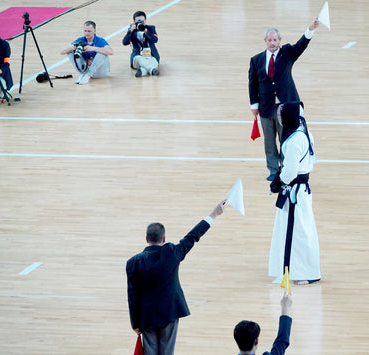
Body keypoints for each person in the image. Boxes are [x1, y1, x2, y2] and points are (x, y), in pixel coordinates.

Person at [126, 200, 226, 355]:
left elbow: (132, 296)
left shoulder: (133, 262)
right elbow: (192, 237)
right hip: (170, 312)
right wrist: (213, 214)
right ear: (164, 239)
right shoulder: (172, 253)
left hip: (146, 317)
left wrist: (134, 323)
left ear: (146, 239)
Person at [248, 18, 319, 181]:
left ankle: (286, 169)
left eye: (275, 40)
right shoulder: (256, 60)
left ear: (280, 40)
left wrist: (311, 29)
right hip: (266, 107)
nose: (272, 42)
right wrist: (254, 104)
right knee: (269, 142)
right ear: (265, 41)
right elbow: (252, 84)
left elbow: (302, 45)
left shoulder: (287, 53)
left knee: (285, 139)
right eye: (269, 40)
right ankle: (273, 169)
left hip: (285, 108)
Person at [269, 102, 320, 285]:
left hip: (295, 192)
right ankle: (299, 270)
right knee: (303, 229)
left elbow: (290, 172)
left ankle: (301, 272)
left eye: (281, 115)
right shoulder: (305, 132)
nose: (279, 119)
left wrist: (279, 180)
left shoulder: (293, 141)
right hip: (302, 190)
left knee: (296, 231)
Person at [60, 20, 113, 85]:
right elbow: (62, 52)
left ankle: (88, 75)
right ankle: (81, 75)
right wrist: (74, 47)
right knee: (70, 51)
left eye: (89, 31)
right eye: (85, 31)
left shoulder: (100, 40)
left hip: (100, 72)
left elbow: (111, 52)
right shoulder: (80, 40)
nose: (87, 33)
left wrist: (92, 48)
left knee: (103, 53)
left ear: (94, 31)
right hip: (86, 69)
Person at [122, 11, 160, 77]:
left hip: (150, 56)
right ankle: (152, 70)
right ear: (134, 21)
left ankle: (142, 71)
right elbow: (124, 42)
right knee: (139, 59)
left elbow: (155, 40)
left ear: (145, 20)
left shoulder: (151, 28)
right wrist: (130, 31)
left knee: (153, 60)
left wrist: (146, 32)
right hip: (138, 57)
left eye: (142, 21)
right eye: (138, 21)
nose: (141, 23)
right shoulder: (131, 30)